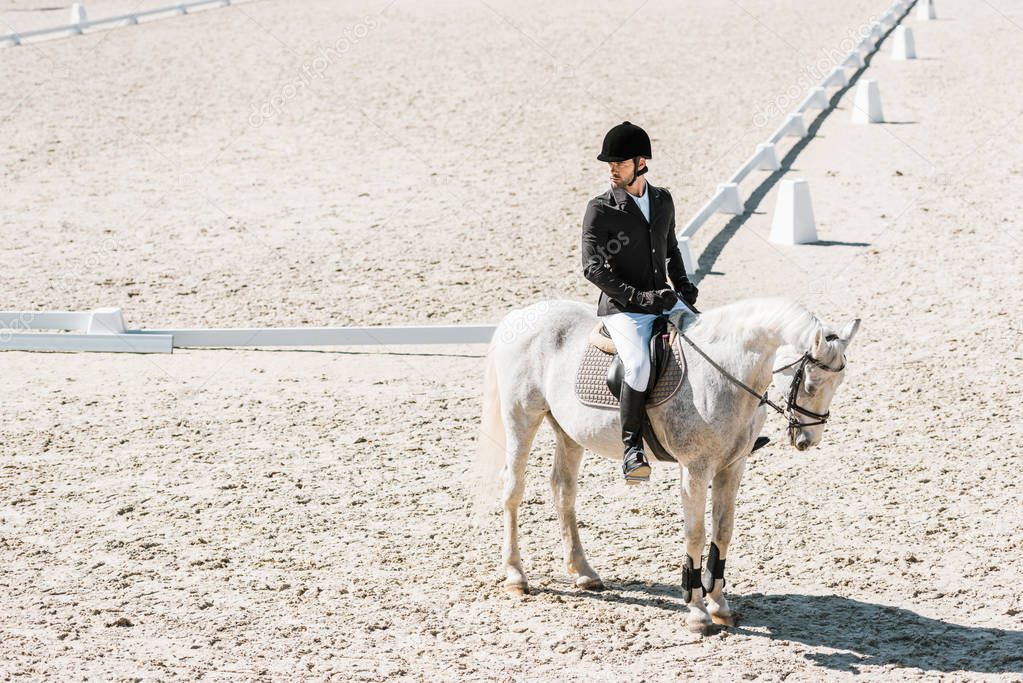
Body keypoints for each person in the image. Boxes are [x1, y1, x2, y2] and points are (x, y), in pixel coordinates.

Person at [580, 121, 699, 483]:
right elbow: (592, 268)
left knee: (708, 341)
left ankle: (728, 432)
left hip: (663, 299)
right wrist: (637, 297)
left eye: (619, 162)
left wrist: (683, 285)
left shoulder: (662, 200)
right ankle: (632, 450)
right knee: (637, 365)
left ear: (641, 162)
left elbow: (671, 248)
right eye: (610, 164)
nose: (613, 169)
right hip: (624, 308)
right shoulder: (601, 209)